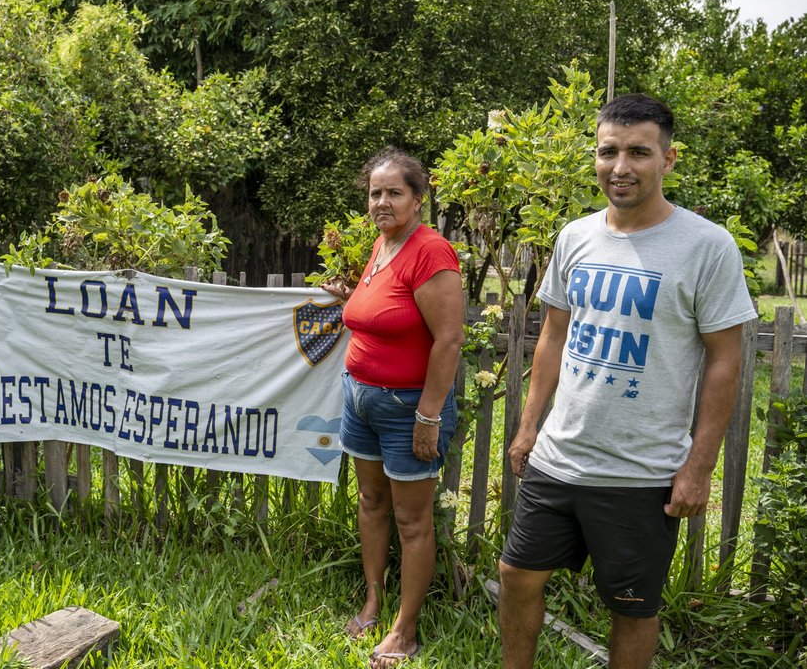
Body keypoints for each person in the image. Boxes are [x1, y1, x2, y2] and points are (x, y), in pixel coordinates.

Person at [498, 94, 756, 669]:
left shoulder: (706, 246)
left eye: (639, 152)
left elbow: (725, 361)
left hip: (642, 472)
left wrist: (699, 467)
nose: (621, 167)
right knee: (516, 575)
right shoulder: (575, 237)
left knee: (632, 607)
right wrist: (528, 427)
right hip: (560, 458)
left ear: (667, 159)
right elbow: (553, 337)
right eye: (608, 151)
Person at [323, 147, 464, 668]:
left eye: (394, 193)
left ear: (418, 198)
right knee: (371, 502)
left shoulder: (431, 251)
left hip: (408, 407)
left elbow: (448, 340)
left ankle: (405, 630)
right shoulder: (383, 245)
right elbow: (388, 314)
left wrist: (428, 415)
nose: (382, 202)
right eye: (375, 193)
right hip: (360, 396)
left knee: (412, 521)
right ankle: (374, 599)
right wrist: (348, 301)